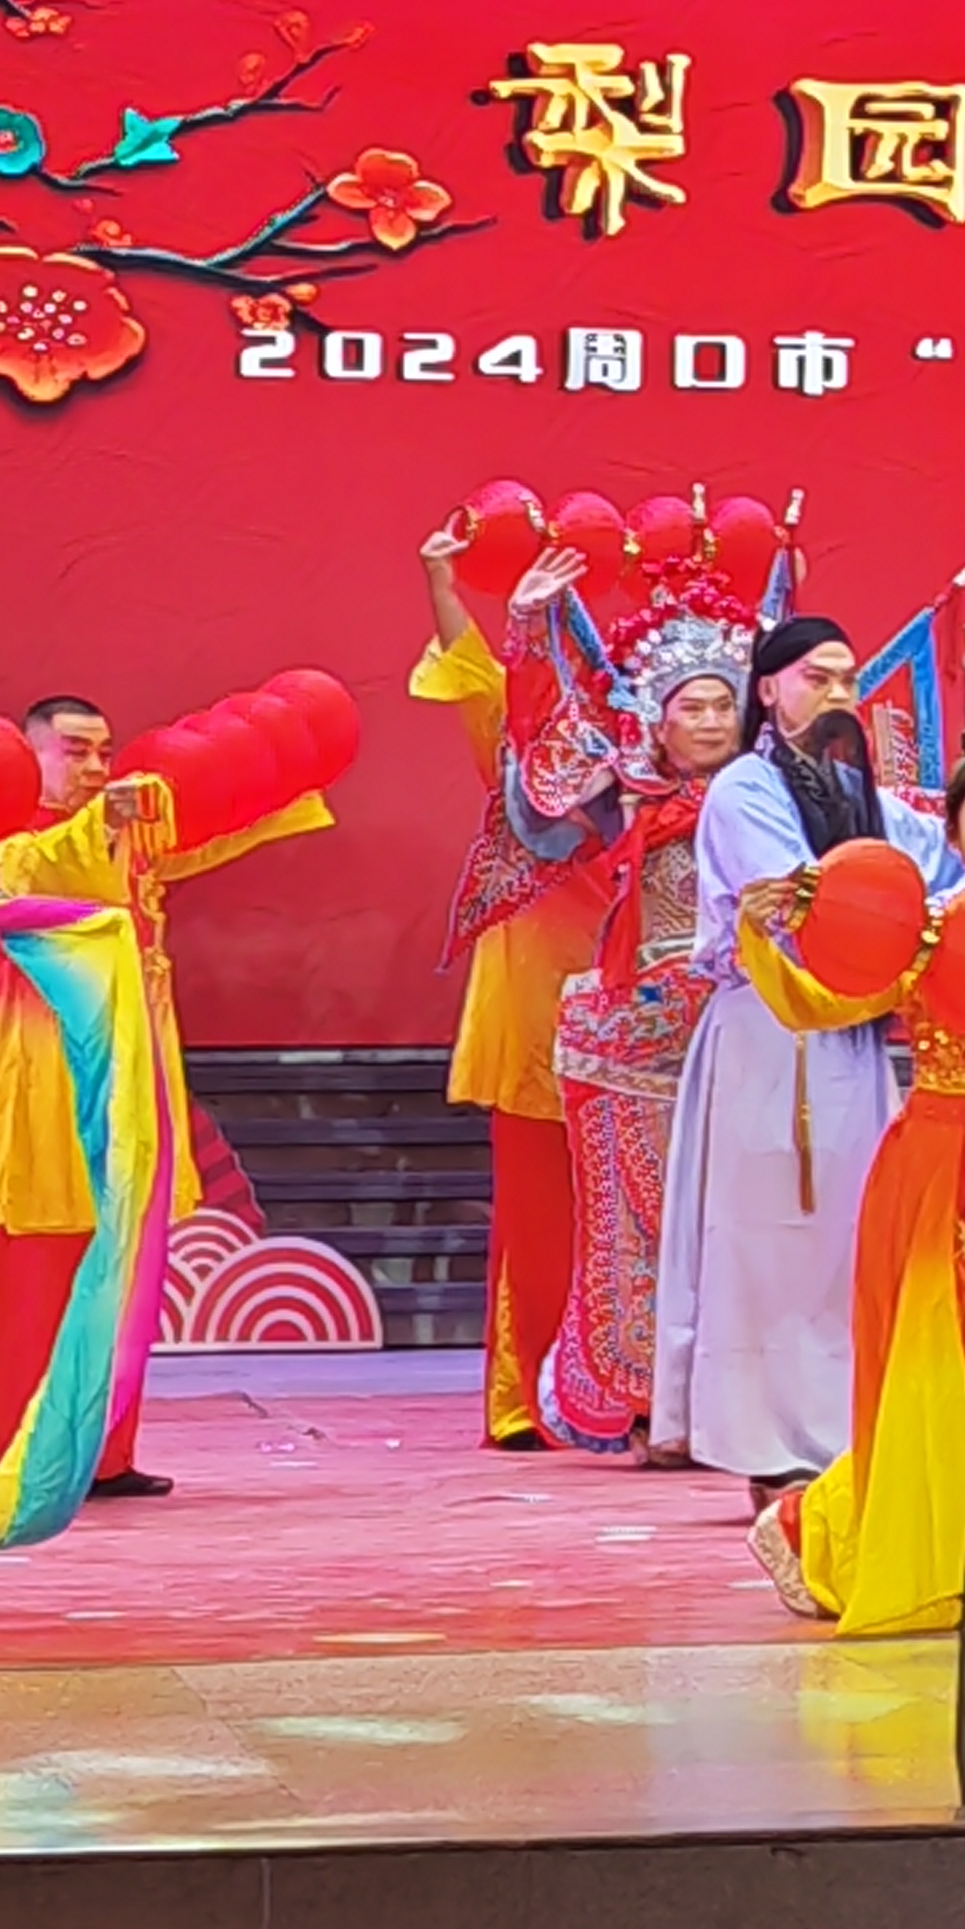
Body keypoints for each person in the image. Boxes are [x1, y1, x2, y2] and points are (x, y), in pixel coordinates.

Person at [752, 745, 965, 1635]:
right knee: (946, 1374)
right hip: (944, 1181)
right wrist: (765, 938)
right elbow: (817, 1006)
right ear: (953, 836)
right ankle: (824, 1530)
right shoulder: (923, 938)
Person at [0, 696, 332, 1494]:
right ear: (30, 757)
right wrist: (108, 822)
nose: (96, 769)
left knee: (121, 1264)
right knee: (45, 1261)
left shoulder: (124, 835)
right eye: (76, 752)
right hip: (48, 1081)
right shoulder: (6, 844)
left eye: (105, 752)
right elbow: (42, 870)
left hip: (128, 1075)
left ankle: (103, 1452)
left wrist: (279, 782)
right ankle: (16, 1444)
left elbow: (206, 835)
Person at [666, 616, 961, 1491]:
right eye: (816, 678)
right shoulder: (744, 789)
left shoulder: (864, 798)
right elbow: (809, 904)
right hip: (773, 1028)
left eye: (846, 680)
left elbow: (943, 875)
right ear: (769, 690)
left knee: (849, 1232)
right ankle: (769, 1444)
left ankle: (844, 1435)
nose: (837, 695)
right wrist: (896, 920)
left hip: (854, 1037)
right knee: (768, 1237)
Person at [495, 540, 768, 1460]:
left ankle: (740, 1406)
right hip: (643, 1035)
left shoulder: (770, 796)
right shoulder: (627, 790)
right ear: (658, 714)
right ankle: (654, 1404)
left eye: (723, 703)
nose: (709, 720)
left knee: (743, 1221)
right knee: (641, 1221)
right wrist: (529, 632)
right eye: (691, 705)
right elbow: (539, 782)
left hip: (746, 1024)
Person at [408, 522, 603, 1448]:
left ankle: (618, 1389)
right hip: (534, 1012)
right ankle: (527, 1396)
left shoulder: (656, 768)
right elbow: (478, 680)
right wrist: (446, 588)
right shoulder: (521, 758)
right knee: (539, 1215)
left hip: (641, 1014)